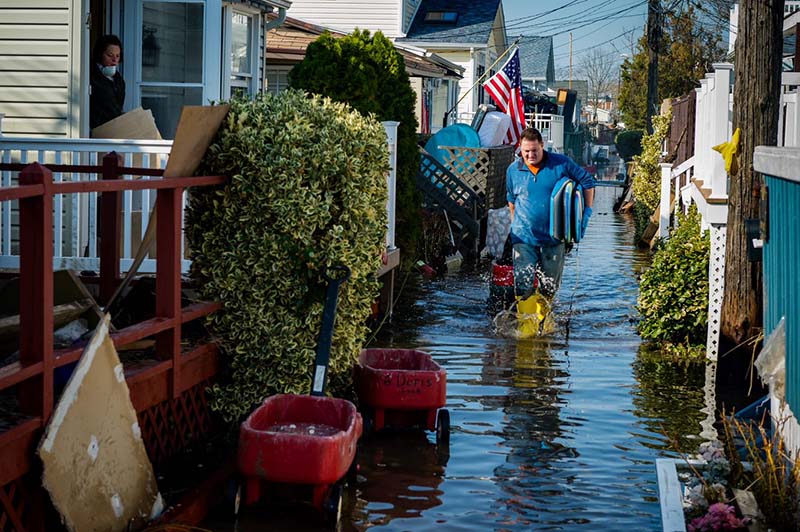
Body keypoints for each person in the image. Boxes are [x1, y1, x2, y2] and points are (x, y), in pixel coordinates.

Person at [506, 128, 595, 335]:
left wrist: (586, 214)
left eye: (534, 151)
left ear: (542, 146)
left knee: (549, 285)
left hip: (554, 237)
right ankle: (527, 327)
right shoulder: (513, 170)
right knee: (523, 282)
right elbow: (511, 200)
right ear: (520, 148)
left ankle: (543, 322)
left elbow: (588, 182)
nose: (529, 155)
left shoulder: (560, 163)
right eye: (525, 151)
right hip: (524, 237)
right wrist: (514, 228)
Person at [90, 34, 125, 131]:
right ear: (100, 54)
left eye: (117, 56)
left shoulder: (119, 79)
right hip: (98, 130)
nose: (114, 60)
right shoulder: (90, 75)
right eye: (110, 55)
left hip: (115, 129)